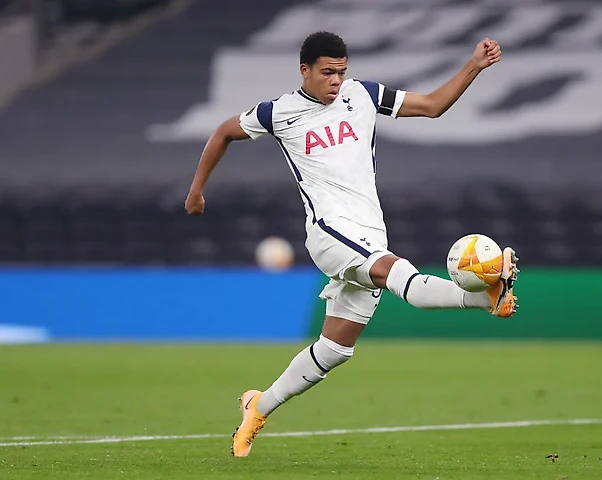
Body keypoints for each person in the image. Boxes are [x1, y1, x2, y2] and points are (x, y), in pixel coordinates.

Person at [184, 31, 518, 457]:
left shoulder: (363, 95)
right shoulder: (277, 112)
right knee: (400, 274)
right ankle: (485, 297)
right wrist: (196, 191)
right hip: (329, 231)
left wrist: (474, 65)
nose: (336, 80)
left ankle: (257, 407)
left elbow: (433, 106)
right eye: (327, 72)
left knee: (335, 349)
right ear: (304, 70)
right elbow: (223, 132)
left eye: (341, 72)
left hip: (370, 232)